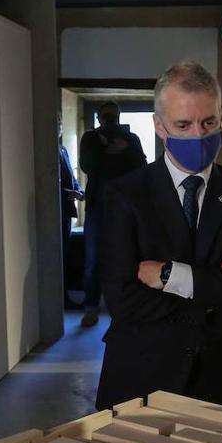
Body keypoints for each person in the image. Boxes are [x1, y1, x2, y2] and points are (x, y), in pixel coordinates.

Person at [96, 61, 222, 411]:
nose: (198, 135)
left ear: (221, 117)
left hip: (220, 380)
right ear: (159, 126)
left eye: (208, 122)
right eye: (183, 124)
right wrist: (218, 282)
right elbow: (122, 299)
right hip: (141, 377)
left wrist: (171, 276)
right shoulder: (126, 195)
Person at [78, 101, 146, 326]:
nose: (109, 121)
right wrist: (105, 145)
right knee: (93, 260)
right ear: (98, 118)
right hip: (97, 206)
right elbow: (87, 165)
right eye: (106, 117)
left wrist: (122, 147)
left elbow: (141, 167)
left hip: (125, 207)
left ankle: (125, 308)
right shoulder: (90, 138)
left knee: (126, 258)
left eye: (113, 117)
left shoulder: (131, 139)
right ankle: (91, 308)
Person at [59, 117, 84, 308]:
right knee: (58, 255)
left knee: (65, 254)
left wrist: (79, 190)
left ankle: (65, 297)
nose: (58, 126)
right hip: (56, 209)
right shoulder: (48, 150)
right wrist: (69, 193)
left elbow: (70, 176)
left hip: (66, 210)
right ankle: (61, 298)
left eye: (60, 122)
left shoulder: (63, 149)